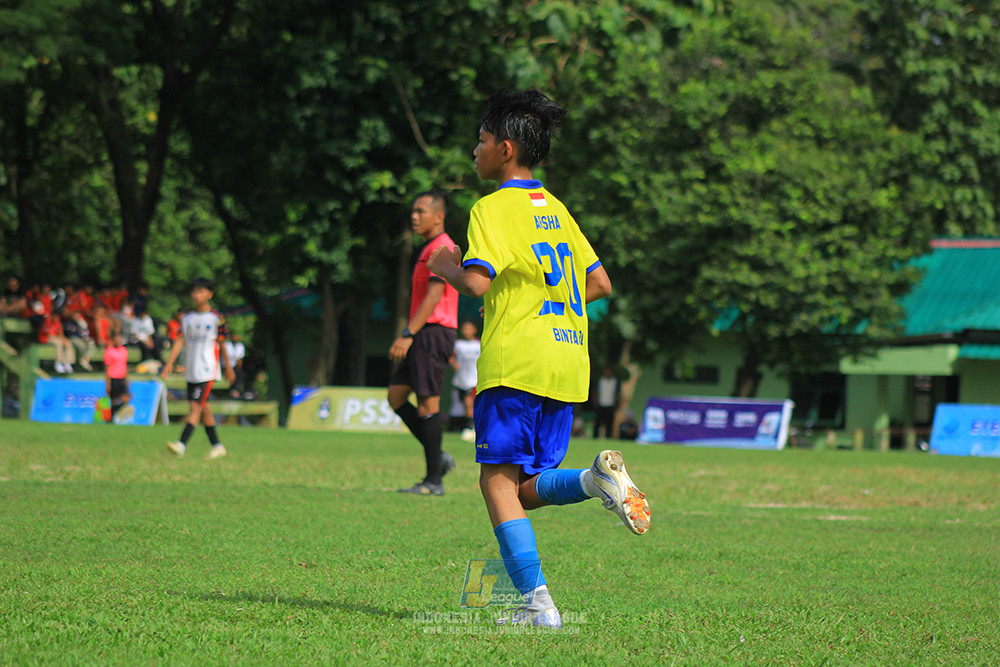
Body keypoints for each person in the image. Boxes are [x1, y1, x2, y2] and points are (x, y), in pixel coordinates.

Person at [427, 89, 651, 628]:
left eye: (481, 140)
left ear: (505, 149)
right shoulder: (556, 208)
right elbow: (600, 283)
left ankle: (537, 606)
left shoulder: (490, 208)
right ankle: (594, 482)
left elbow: (476, 282)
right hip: (567, 361)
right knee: (523, 490)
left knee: (495, 483)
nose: (474, 151)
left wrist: (444, 265)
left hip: (517, 361)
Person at [388, 190, 460, 496]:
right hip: (423, 332)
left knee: (428, 404)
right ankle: (438, 456)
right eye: (413, 211)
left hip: (433, 331)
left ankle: (433, 482)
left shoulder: (442, 247)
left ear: (439, 216)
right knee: (396, 396)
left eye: (421, 211)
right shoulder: (428, 247)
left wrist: (408, 333)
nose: (414, 216)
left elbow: (434, 295)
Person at [161, 277, 236, 459]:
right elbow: (180, 340)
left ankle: (181, 444)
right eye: (194, 291)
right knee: (204, 408)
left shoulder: (216, 318)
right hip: (192, 370)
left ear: (210, 294)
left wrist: (228, 367)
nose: (197, 295)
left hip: (207, 370)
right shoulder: (187, 318)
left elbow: (223, 342)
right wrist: (170, 362)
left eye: (201, 291)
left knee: (194, 408)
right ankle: (217, 446)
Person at [450, 319, 481, 442]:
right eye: (464, 329)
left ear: (474, 330)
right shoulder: (458, 344)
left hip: (473, 380)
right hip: (460, 380)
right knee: (463, 405)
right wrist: (453, 363)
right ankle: (468, 426)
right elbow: (450, 355)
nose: (466, 331)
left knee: (469, 403)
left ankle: (469, 428)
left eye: (469, 328)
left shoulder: (478, 344)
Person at [103, 331, 133, 422]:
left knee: (126, 398)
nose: (118, 341)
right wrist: (108, 383)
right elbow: (107, 367)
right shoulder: (109, 351)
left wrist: (127, 379)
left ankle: (115, 412)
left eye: (120, 340)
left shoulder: (124, 350)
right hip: (113, 377)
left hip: (122, 377)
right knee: (114, 400)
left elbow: (125, 364)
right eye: (116, 340)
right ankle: (111, 418)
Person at [38, 305, 76, 373]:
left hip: (56, 338)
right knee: (59, 343)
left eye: (58, 317)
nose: (57, 318)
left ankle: (67, 363)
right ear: (52, 316)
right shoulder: (47, 321)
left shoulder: (58, 322)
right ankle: (58, 363)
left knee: (68, 342)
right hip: (46, 338)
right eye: (55, 316)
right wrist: (61, 339)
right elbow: (49, 334)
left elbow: (60, 333)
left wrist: (64, 339)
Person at [593, 366, 621, 439]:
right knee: (598, 422)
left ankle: (608, 436)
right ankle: (595, 436)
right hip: (601, 404)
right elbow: (596, 392)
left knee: (609, 423)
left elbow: (618, 393)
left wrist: (617, 404)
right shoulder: (600, 380)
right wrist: (595, 402)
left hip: (610, 404)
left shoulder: (615, 381)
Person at [224, 332, 246, 398]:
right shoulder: (226, 344)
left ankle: (235, 390)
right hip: (226, 365)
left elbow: (239, 359)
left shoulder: (240, 346)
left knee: (239, 374)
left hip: (234, 366)